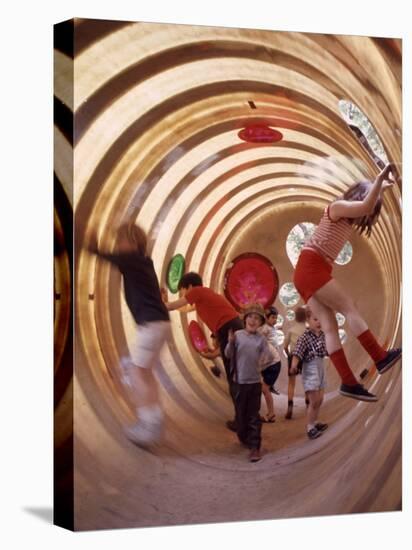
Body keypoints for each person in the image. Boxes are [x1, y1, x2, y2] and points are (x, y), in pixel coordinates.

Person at [293, 162, 402, 401]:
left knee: (330, 327)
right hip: (311, 265)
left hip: (307, 270)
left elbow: (366, 205)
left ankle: (349, 383)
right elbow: (364, 206)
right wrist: (379, 178)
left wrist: (383, 187)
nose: (370, 213)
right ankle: (380, 357)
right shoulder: (338, 206)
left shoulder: (347, 216)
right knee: (349, 308)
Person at [87, 223, 171, 447]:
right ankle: (154, 420)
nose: (118, 245)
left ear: (133, 243)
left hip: (152, 324)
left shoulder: (132, 260)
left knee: (135, 372)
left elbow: (115, 259)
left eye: (120, 240)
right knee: (145, 372)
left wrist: (94, 249)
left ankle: (148, 425)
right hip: (159, 324)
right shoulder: (143, 263)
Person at [166, 272, 243, 430]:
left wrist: (158, 302)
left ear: (189, 286)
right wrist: (214, 353)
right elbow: (185, 308)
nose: (183, 295)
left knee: (234, 378)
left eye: (182, 291)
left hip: (228, 329)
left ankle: (242, 421)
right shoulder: (205, 296)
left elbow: (175, 305)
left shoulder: (197, 291)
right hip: (233, 328)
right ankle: (246, 416)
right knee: (238, 375)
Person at [225, 303, 271, 462]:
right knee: (241, 415)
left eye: (257, 318)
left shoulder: (261, 340)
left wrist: (263, 362)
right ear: (245, 319)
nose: (253, 320)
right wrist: (230, 342)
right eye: (250, 316)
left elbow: (268, 356)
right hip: (239, 383)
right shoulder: (237, 335)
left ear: (260, 323)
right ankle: (244, 437)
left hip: (254, 383)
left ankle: (255, 447)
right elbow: (228, 354)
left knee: (253, 416)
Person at [290, 309, 329, 439]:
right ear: (308, 320)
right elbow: (297, 352)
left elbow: (327, 350)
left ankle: (315, 421)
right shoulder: (304, 337)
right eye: (315, 319)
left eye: (320, 320)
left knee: (320, 399)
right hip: (310, 368)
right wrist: (294, 365)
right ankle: (310, 427)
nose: (318, 323)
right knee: (314, 400)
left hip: (320, 368)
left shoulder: (322, 335)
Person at [283, 306, 308, 419]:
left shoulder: (291, 330)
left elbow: (285, 346)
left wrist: (289, 355)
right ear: (306, 318)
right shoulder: (307, 331)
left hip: (293, 356)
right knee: (306, 381)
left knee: (291, 383)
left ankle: (290, 405)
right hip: (305, 357)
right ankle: (308, 404)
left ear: (295, 318)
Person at [259, 307, 282, 422]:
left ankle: (271, 414)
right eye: (273, 318)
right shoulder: (264, 329)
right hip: (270, 363)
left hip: (272, 363)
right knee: (263, 387)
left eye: (276, 318)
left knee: (264, 389)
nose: (275, 320)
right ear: (266, 317)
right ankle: (270, 413)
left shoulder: (271, 328)